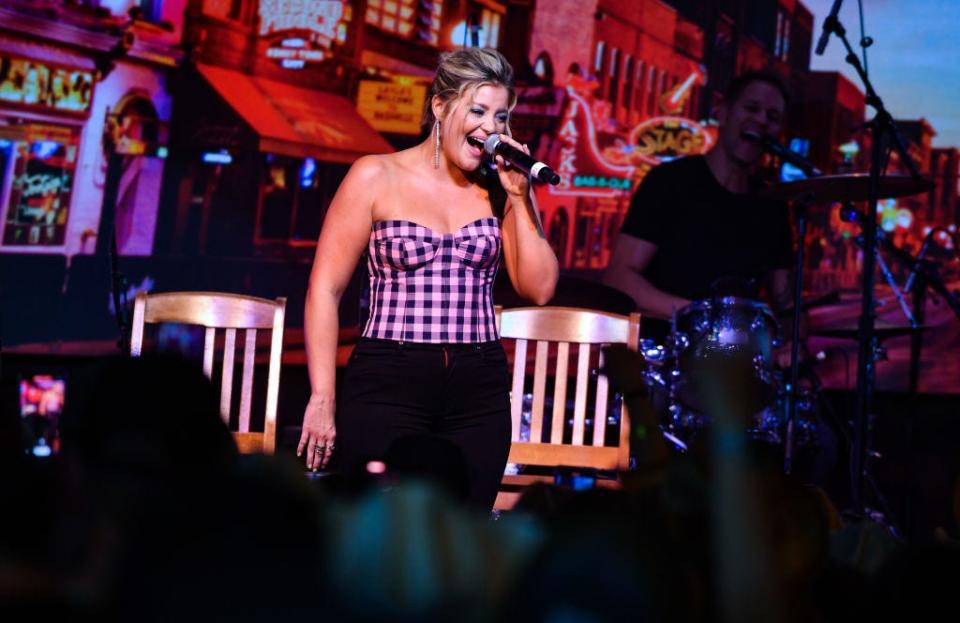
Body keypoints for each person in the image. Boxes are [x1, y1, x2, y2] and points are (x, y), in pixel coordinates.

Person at [298, 48, 559, 511]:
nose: (489, 127)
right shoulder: (375, 174)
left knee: (462, 535)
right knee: (383, 531)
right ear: (440, 107)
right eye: (477, 110)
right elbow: (325, 289)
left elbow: (538, 288)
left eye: (500, 116)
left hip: (477, 386)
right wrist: (322, 397)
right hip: (388, 379)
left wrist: (520, 197)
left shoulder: (500, 189)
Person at [603, 70, 795, 343]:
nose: (762, 120)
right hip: (665, 355)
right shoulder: (669, 182)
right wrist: (700, 316)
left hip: (736, 364)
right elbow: (618, 277)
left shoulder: (772, 206)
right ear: (723, 112)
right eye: (751, 108)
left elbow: (786, 304)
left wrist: (791, 339)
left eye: (773, 117)